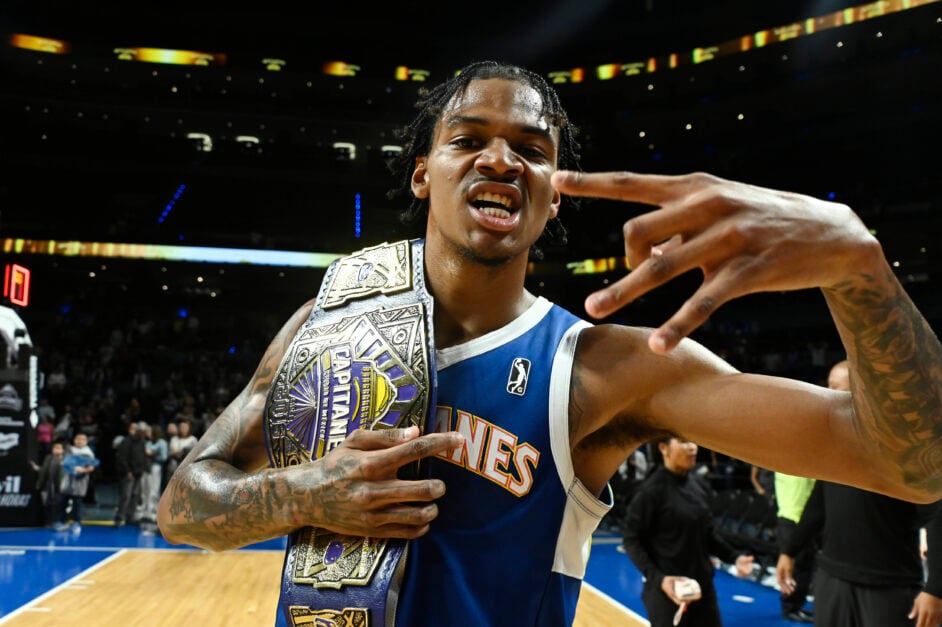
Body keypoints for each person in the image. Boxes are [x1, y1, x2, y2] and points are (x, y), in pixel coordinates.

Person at [157, 61, 942, 626]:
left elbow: (913, 462)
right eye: (469, 139)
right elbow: (182, 504)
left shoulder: (609, 369)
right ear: (423, 172)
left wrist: (858, 266)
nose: (501, 158)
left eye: (531, 148)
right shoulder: (322, 326)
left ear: (554, 191)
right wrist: (303, 492)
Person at [777, 360, 942, 627]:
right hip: (832, 576)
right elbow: (818, 506)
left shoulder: (907, 448)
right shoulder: (833, 444)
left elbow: (937, 517)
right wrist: (789, 550)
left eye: (834, 388)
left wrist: (936, 588)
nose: (826, 394)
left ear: (864, 392)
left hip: (889, 584)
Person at [622, 436, 754, 626]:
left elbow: (708, 535)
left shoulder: (698, 485)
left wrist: (735, 557)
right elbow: (631, 539)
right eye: (684, 442)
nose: (692, 447)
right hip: (667, 592)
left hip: (702, 589)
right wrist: (658, 578)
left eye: (693, 442)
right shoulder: (651, 491)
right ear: (663, 448)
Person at [773, 470, 817, 622]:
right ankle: (789, 607)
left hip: (803, 517)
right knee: (795, 566)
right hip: (791, 516)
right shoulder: (790, 463)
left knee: (805, 564)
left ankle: (796, 604)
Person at [56, 432, 99, 532]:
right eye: (77, 439)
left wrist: (82, 470)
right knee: (63, 502)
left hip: (80, 482)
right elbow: (63, 462)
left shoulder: (88, 453)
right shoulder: (69, 450)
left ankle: (77, 523)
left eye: (82, 439)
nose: (79, 441)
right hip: (67, 480)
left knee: (77, 504)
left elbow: (91, 468)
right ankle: (62, 522)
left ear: (86, 441)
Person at [113, 421, 149, 527]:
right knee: (126, 496)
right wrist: (127, 471)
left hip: (138, 472)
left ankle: (130, 517)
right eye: (142, 432)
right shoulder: (127, 441)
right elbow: (122, 457)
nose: (143, 434)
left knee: (135, 496)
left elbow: (143, 456)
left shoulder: (142, 442)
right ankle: (119, 517)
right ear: (138, 431)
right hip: (129, 473)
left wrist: (144, 469)